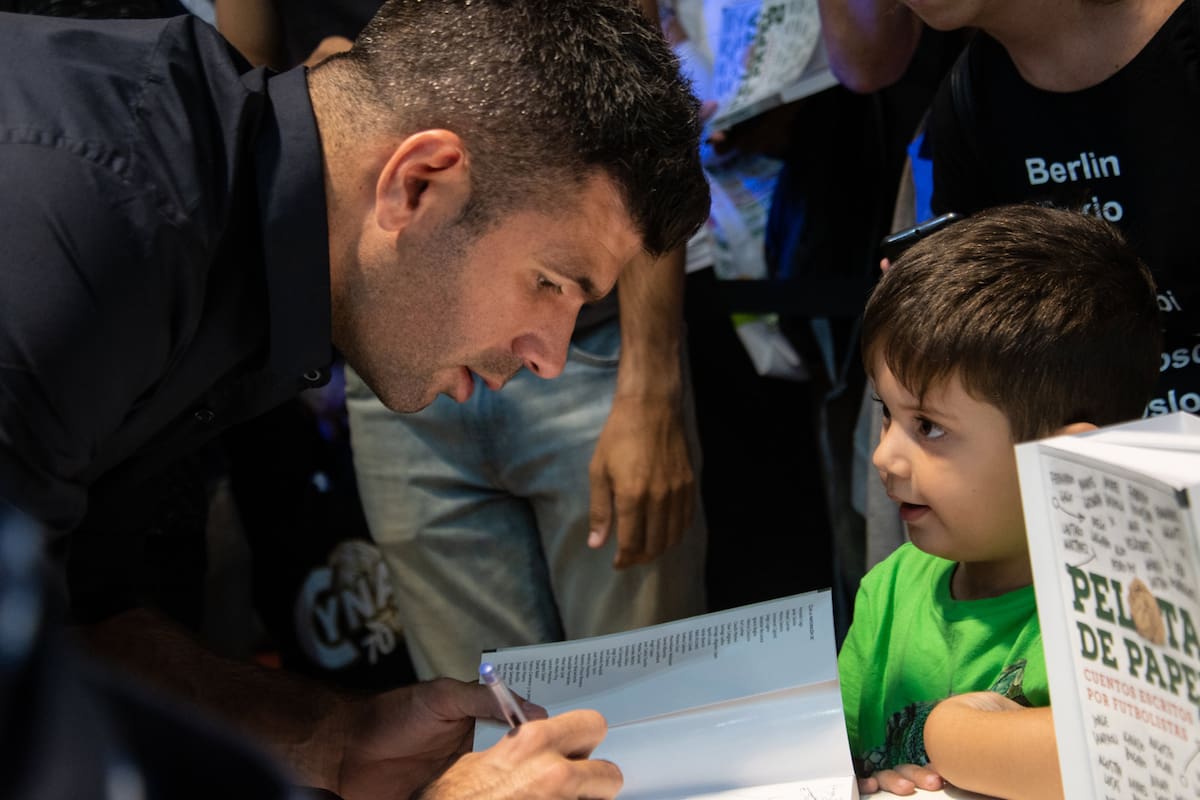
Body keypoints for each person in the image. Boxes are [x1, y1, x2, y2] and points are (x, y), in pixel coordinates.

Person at [0, 3, 709, 799]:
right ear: (418, 184)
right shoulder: (87, 220)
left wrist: (331, 738)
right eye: (547, 283)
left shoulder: (222, 219)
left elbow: (77, 629)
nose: (549, 357)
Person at [839, 204, 1162, 799]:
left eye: (929, 426)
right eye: (889, 414)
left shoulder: (1117, 616)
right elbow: (841, 764)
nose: (885, 456)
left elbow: (1130, 751)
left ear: (1065, 462)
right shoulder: (888, 591)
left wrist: (951, 732)